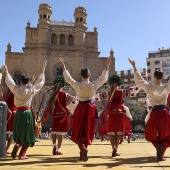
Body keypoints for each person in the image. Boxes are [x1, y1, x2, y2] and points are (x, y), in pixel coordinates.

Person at [60, 56, 111, 161]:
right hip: (91, 108)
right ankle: (83, 152)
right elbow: (103, 78)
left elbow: (68, 79)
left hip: (80, 108)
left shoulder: (77, 85)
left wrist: (64, 67)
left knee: (78, 131)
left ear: (81, 76)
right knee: (87, 130)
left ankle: (82, 149)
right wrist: (107, 66)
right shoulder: (93, 85)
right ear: (89, 75)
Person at [128, 58, 170, 161]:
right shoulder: (166, 87)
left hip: (155, 112)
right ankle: (161, 152)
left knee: (149, 134)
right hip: (164, 112)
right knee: (166, 134)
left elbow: (139, 81)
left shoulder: (149, 88)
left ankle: (159, 150)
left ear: (154, 77)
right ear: (162, 77)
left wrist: (134, 67)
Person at [4, 60, 47, 159]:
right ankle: (22, 153)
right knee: (29, 133)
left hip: (18, 113)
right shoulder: (31, 90)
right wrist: (42, 71)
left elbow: (10, 82)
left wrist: (6, 71)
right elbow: (40, 83)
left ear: (20, 81)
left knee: (19, 132)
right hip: (27, 113)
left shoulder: (16, 89)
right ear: (28, 82)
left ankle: (17, 145)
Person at [97, 75, 140, 157]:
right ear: (118, 83)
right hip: (120, 114)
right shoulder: (122, 92)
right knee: (119, 132)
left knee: (111, 132)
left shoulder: (107, 93)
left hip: (111, 114)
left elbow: (97, 97)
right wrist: (140, 85)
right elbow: (133, 91)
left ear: (110, 84)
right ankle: (116, 149)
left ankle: (113, 148)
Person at [50, 76, 77, 155]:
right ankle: (59, 149)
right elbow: (73, 99)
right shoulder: (64, 94)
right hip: (63, 113)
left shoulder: (53, 94)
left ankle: (54, 145)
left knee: (54, 131)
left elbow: (50, 104)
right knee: (60, 133)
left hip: (55, 113)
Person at [2, 84, 17, 154]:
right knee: (11, 133)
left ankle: (3, 148)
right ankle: (6, 149)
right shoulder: (14, 92)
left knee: (4, 132)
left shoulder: (5, 93)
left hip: (6, 111)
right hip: (13, 112)